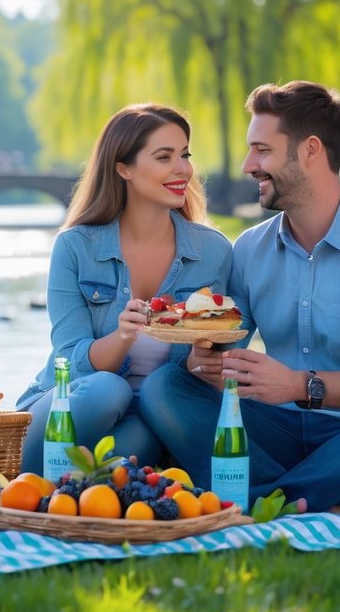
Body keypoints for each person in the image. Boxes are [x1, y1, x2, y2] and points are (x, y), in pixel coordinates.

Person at [141, 81, 340, 518]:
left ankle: (270, 500)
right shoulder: (249, 249)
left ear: (311, 150)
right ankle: (320, 502)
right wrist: (202, 361)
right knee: (165, 386)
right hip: (282, 434)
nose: (248, 165)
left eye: (261, 150)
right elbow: (227, 345)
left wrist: (300, 386)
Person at [16, 103, 232, 473]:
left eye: (185, 155)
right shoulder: (75, 248)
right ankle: (33, 480)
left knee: (148, 428)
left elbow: (208, 372)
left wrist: (204, 353)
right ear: (123, 168)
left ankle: (57, 501)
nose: (182, 169)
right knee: (106, 390)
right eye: (164, 157)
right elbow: (71, 360)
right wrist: (123, 336)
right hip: (71, 403)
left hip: (151, 415)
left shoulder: (213, 251)